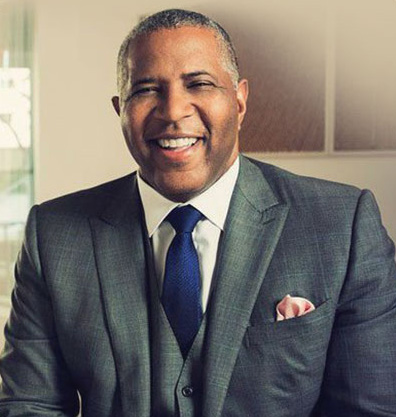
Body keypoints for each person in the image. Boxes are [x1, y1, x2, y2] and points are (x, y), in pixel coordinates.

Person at [1, 8, 396, 417]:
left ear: (239, 101)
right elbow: (30, 405)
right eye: (146, 90)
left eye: (199, 83)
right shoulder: (53, 236)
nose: (173, 111)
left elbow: (370, 409)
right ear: (120, 109)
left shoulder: (343, 225)